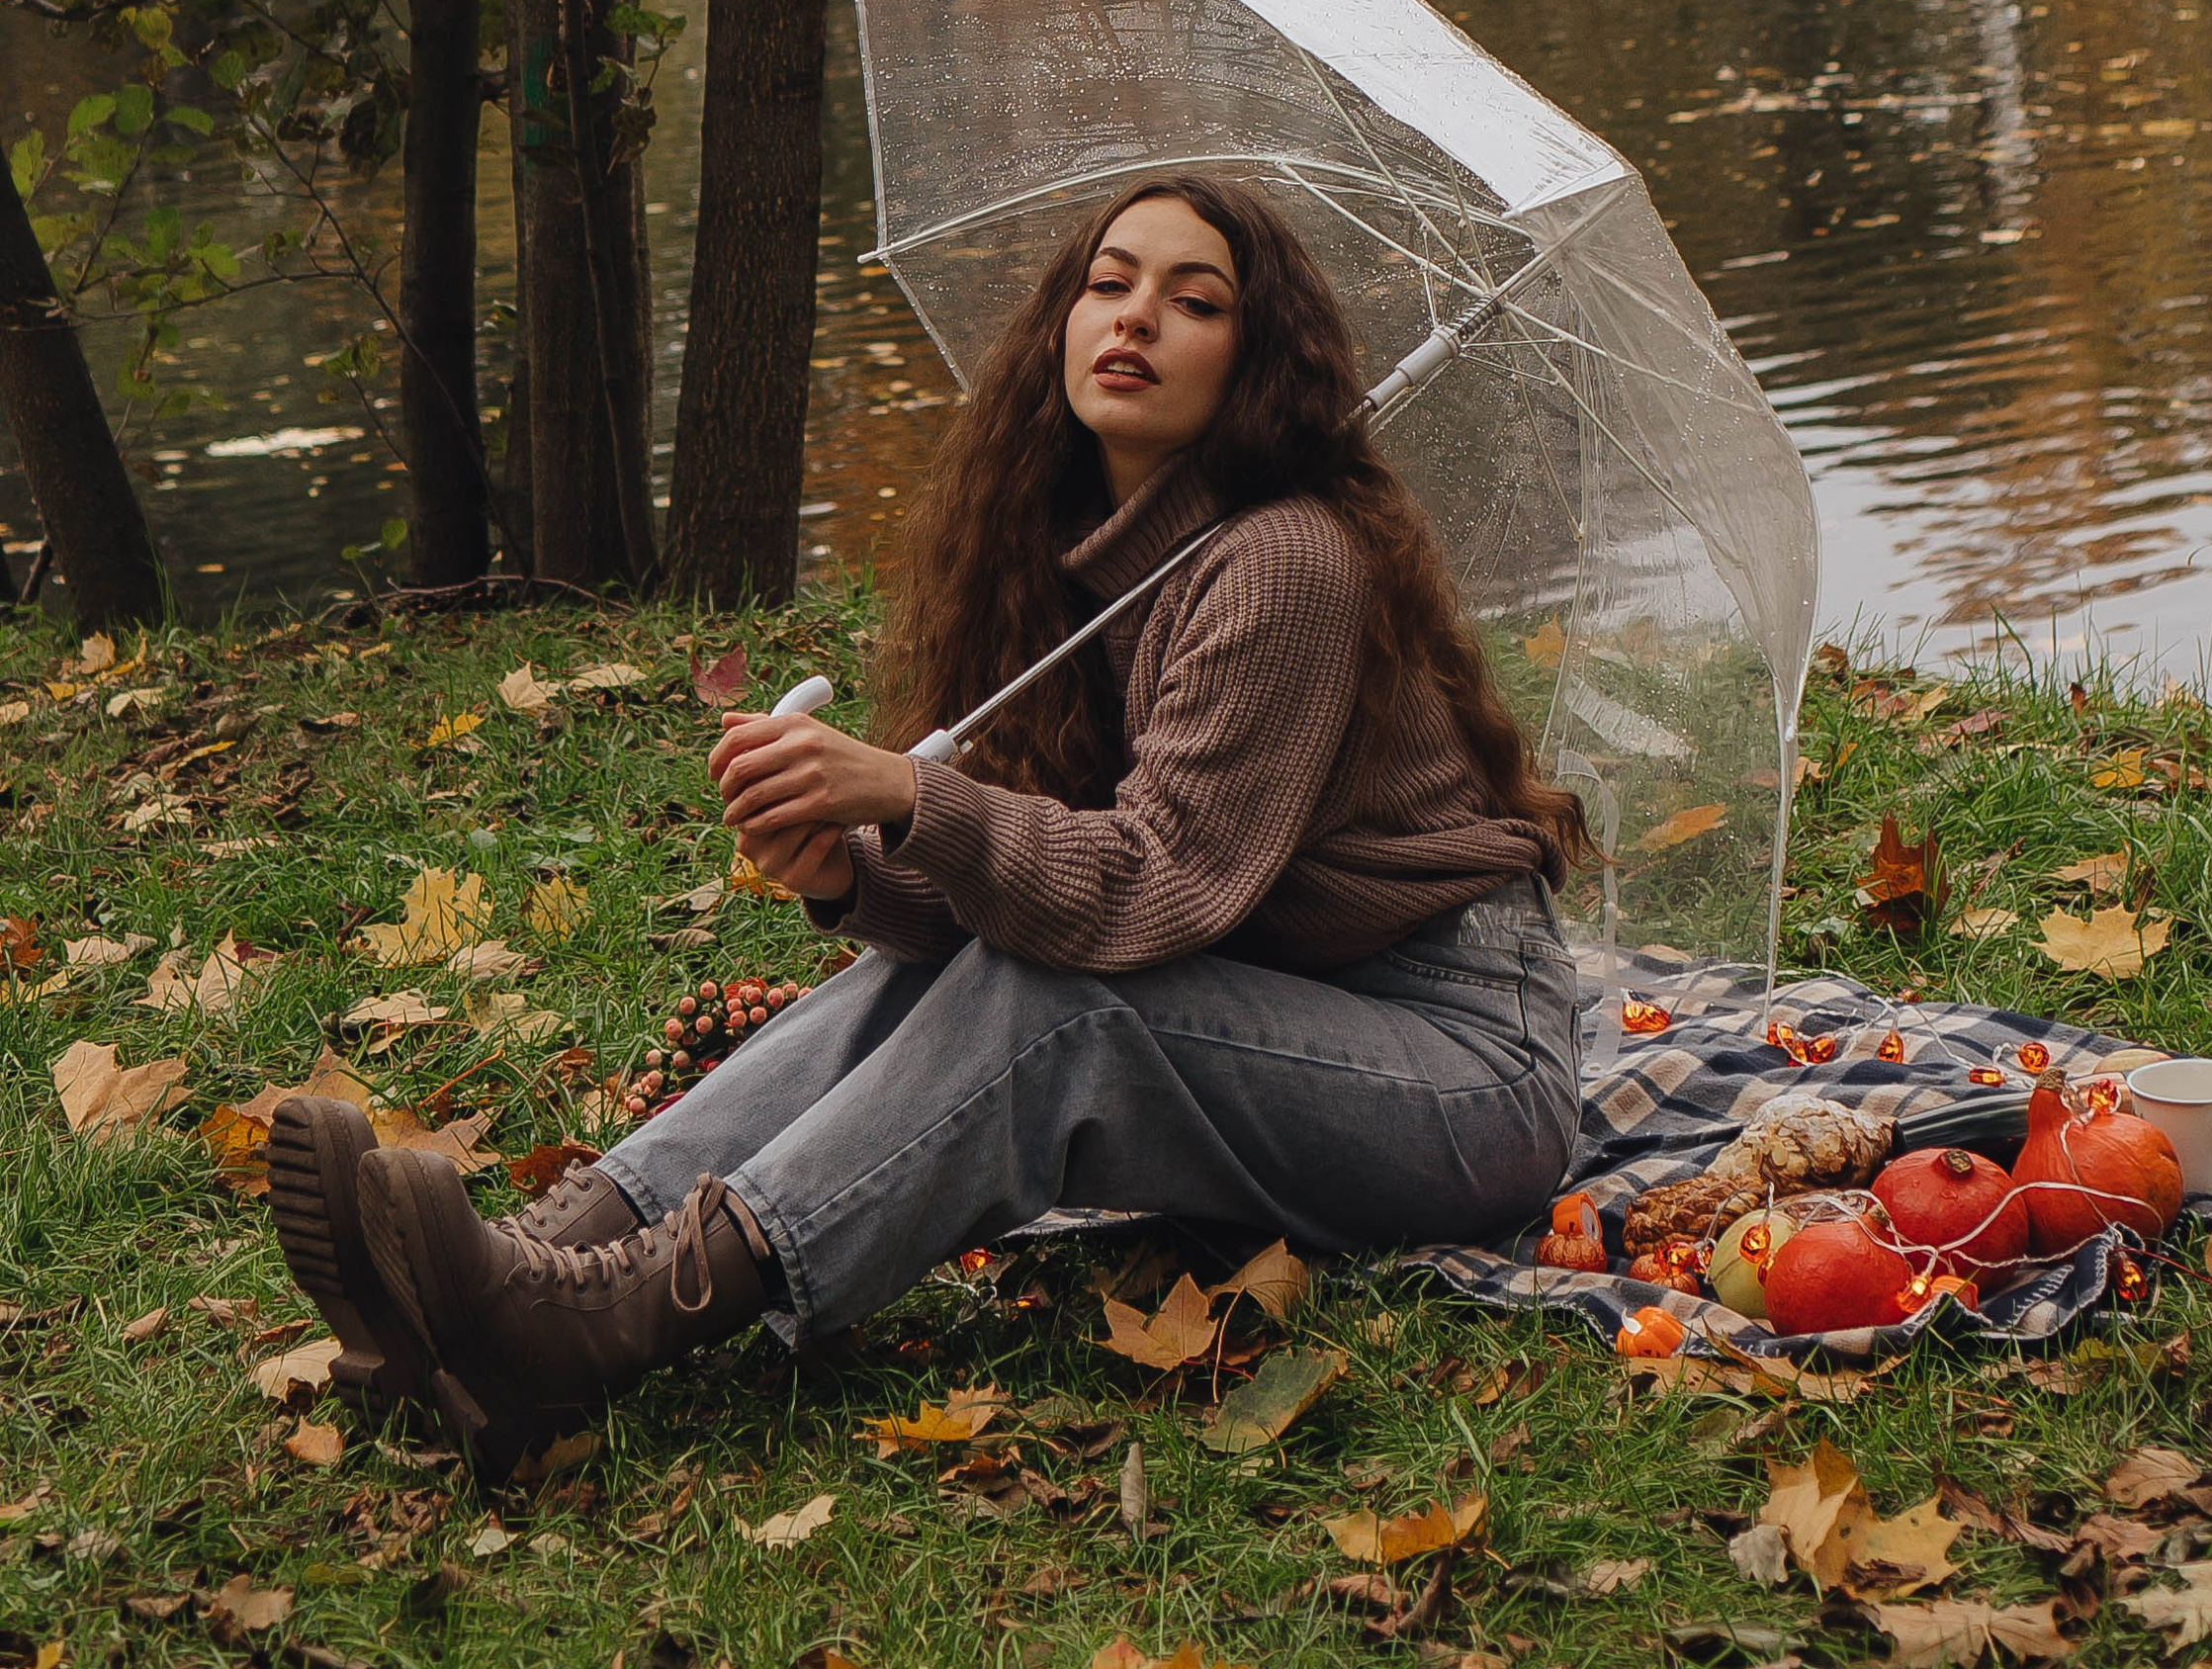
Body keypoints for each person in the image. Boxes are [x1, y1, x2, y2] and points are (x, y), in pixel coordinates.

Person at [267, 175, 1585, 1479]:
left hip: (1459, 1067)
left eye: (1195, 302)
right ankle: (536, 1261)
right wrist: (855, 878)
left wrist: (909, 795)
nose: (1134, 317)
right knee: (966, 971)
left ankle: (600, 1321)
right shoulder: (1073, 552)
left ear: (1260, 362)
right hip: (1276, 1002)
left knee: (1058, 1011)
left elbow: (1151, 891)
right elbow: (1021, 891)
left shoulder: (1287, 560)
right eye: (1108, 284)